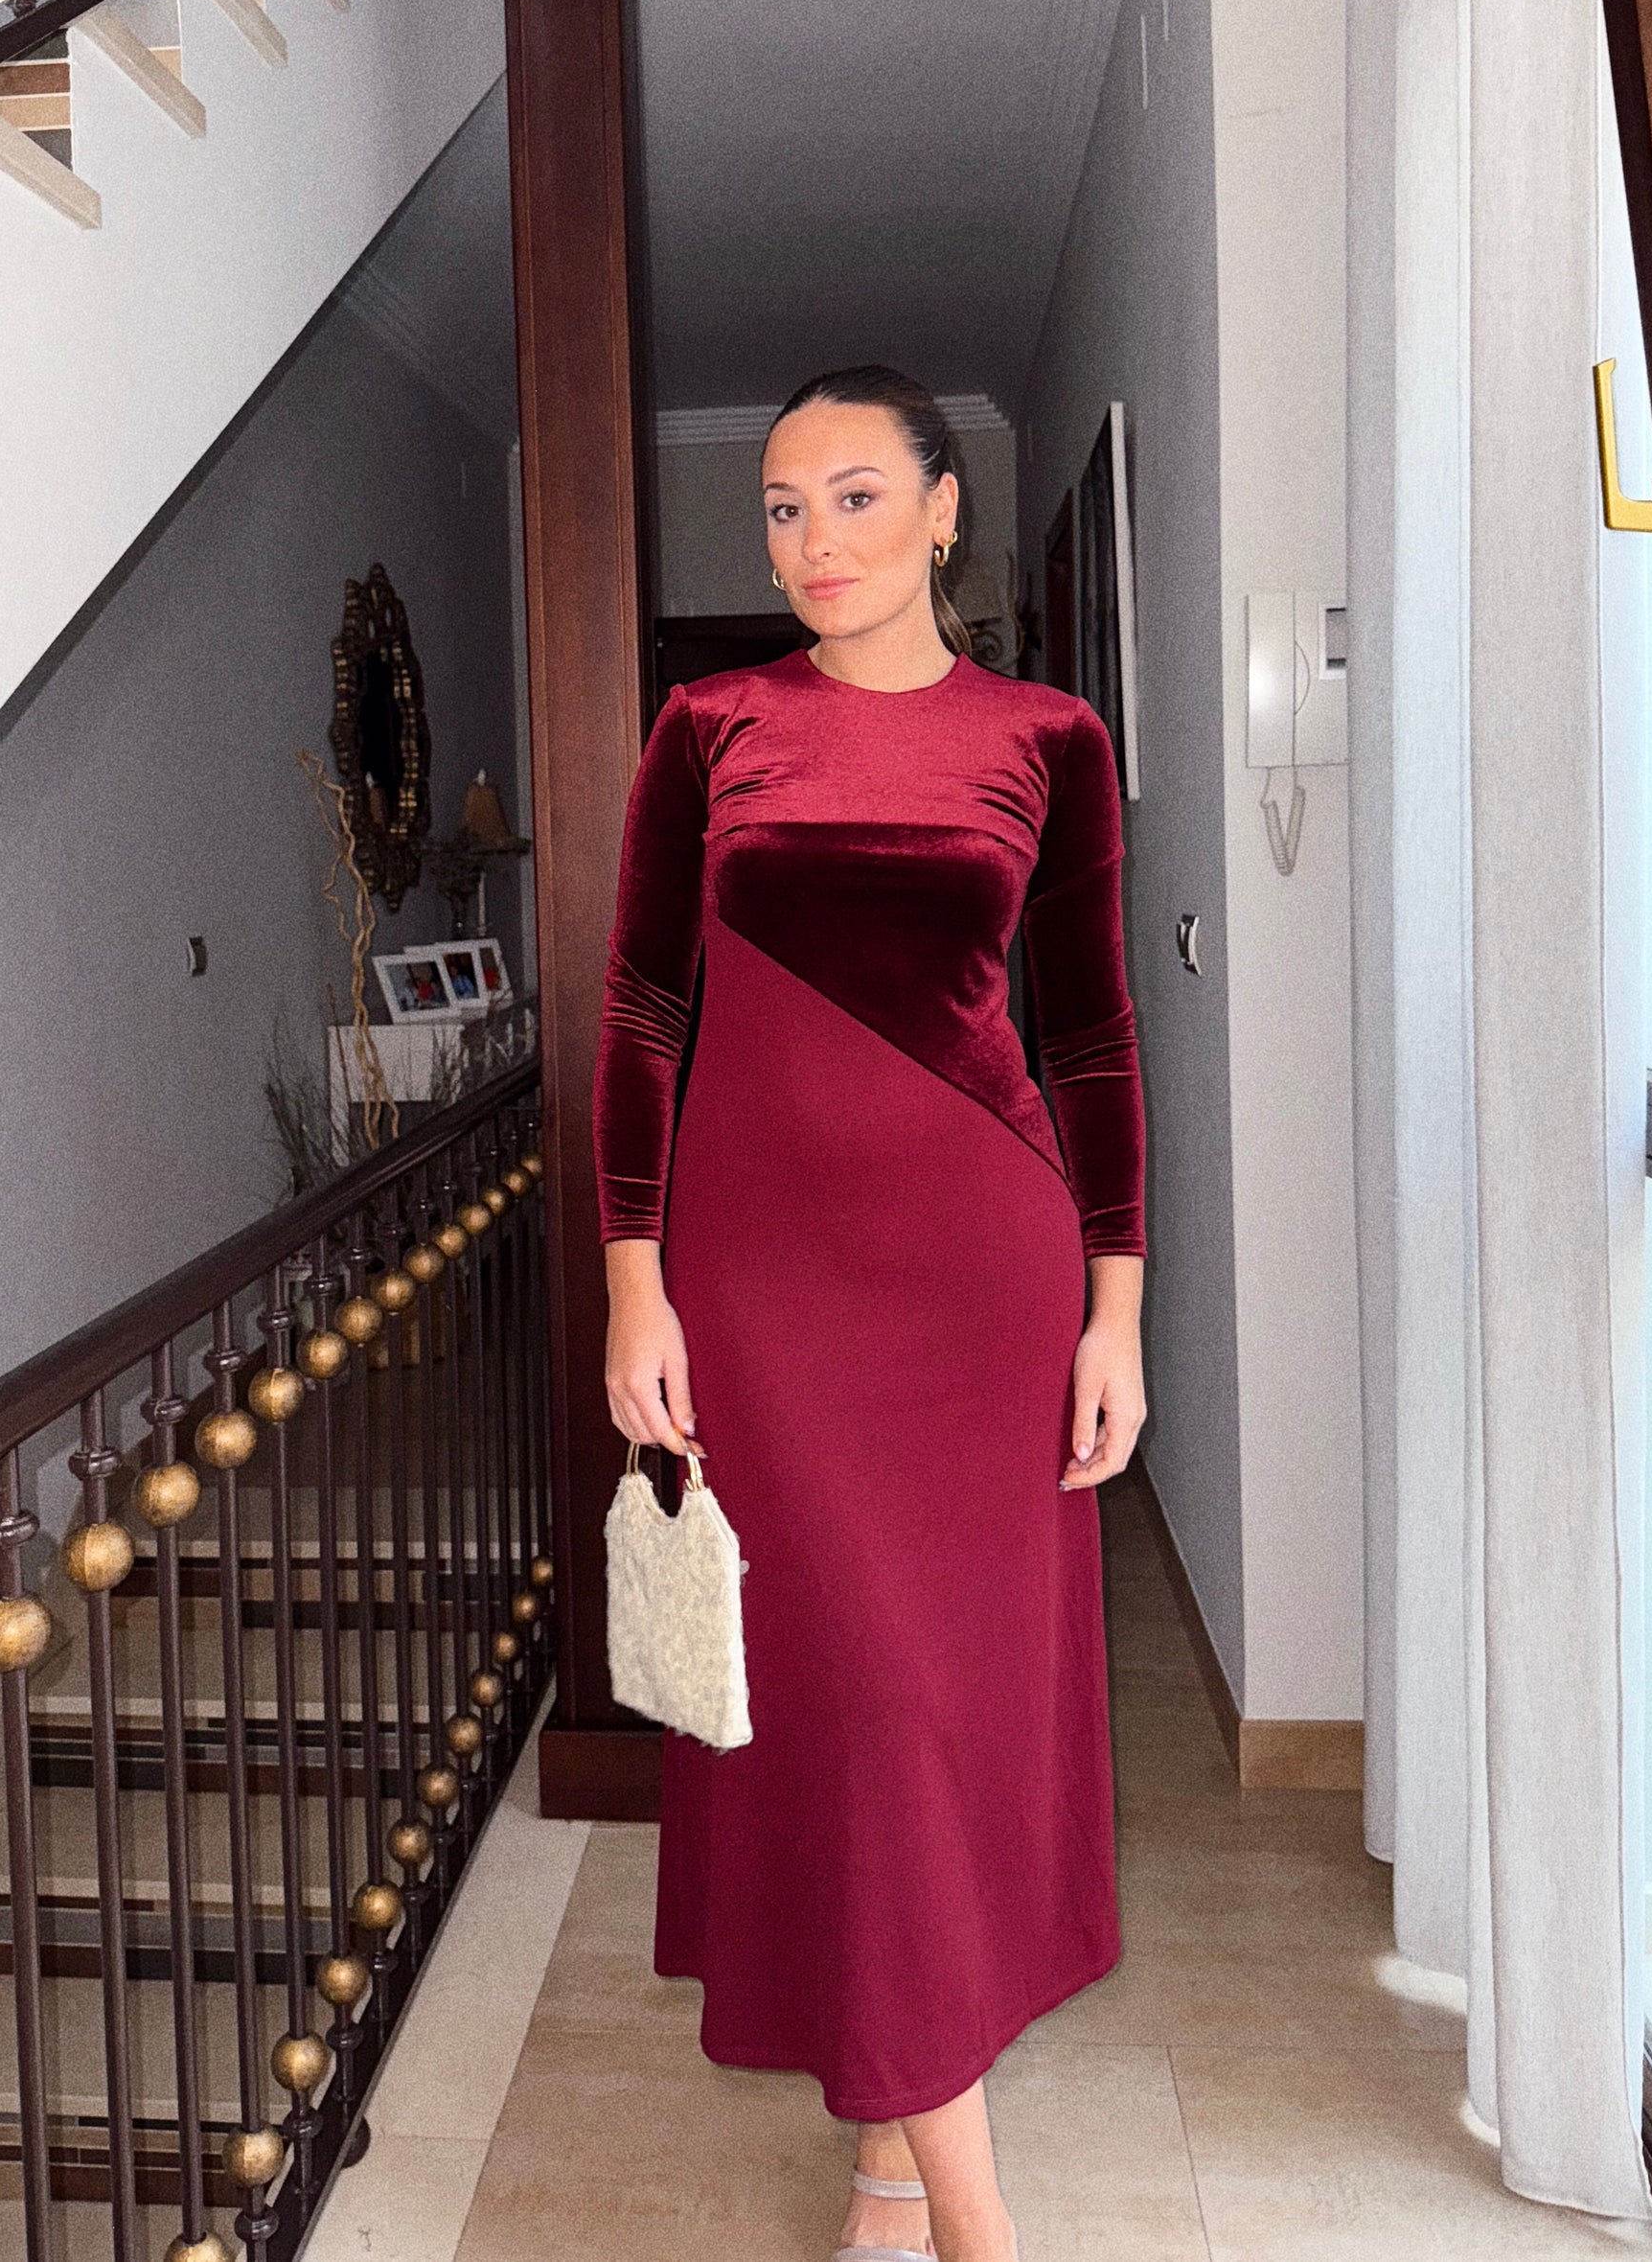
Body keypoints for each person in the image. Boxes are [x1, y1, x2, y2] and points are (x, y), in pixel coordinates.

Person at [593, 364, 1148, 2262]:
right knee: (858, 1706)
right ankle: (979, 2221)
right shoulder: (710, 728)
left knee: (940, 1716)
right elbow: (638, 1013)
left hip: (983, 1279)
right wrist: (633, 1282)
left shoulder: (1049, 738)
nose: (812, 539)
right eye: (780, 506)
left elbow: (1090, 1033)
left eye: (850, 495)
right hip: (763, 1291)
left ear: (939, 511)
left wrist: (1114, 1311)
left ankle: (897, 2168)